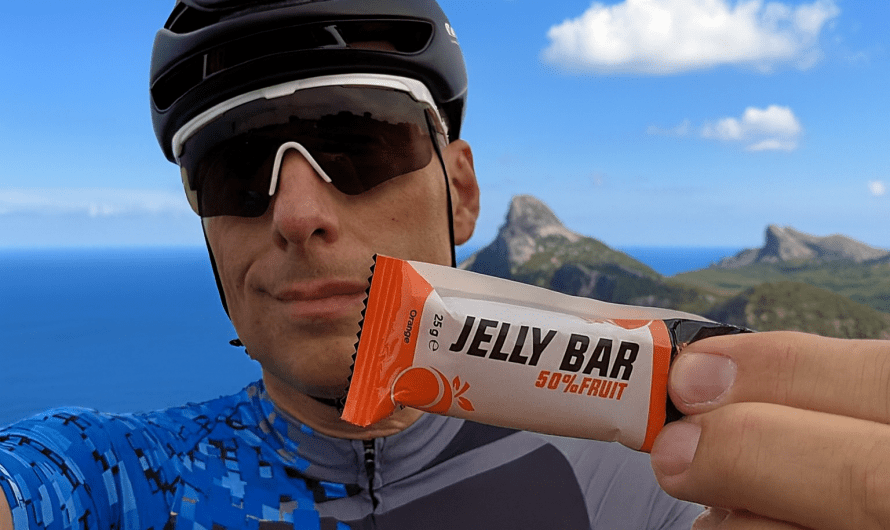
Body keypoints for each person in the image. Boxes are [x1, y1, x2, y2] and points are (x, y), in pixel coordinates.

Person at [1, 1, 888, 529]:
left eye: (358, 139)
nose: (299, 216)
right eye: (233, 168)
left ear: (461, 192)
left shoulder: (661, 468)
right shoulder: (116, 476)